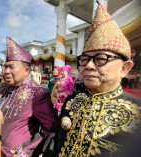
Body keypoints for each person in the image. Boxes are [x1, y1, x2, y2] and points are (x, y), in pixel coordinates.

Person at [42, 2, 141, 157]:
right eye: (84, 59)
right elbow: (53, 144)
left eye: (101, 58)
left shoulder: (138, 111)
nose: (88, 66)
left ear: (124, 68)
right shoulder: (72, 101)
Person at [0, 37, 57, 156]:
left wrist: (25, 151)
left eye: (11, 67)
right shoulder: (4, 86)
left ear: (26, 70)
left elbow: (51, 127)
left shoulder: (37, 93)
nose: (6, 71)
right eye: (5, 67)